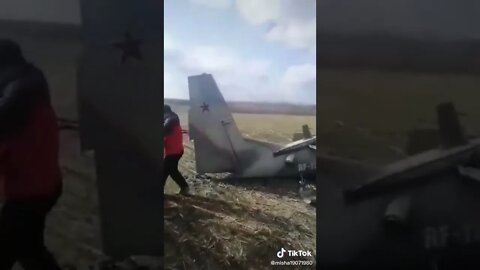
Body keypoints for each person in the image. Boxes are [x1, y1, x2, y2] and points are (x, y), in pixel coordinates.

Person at [0, 39, 62, 270]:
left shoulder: (18, 100)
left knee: (10, 248)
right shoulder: (31, 88)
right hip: (43, 185)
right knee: (29, 248)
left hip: (30, 192)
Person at [163, 105, 189, 195]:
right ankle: (184, 187)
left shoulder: (171, 120)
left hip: (173, 152)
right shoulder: (173, 119)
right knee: (168, 170)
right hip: (176, 150)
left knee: (168, 170)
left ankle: (185, 187)